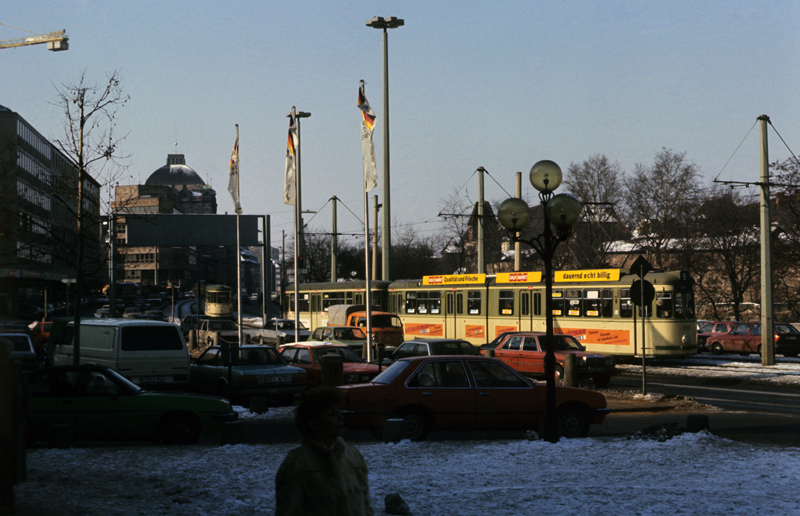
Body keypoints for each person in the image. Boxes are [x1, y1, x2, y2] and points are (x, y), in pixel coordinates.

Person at [275, 386, 373, 516]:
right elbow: (288, 510)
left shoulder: (353, 457)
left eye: (338, 411)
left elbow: (366, 504)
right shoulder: (297, 463)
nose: (340, 417)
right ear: (314, 424)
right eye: (331, 414)